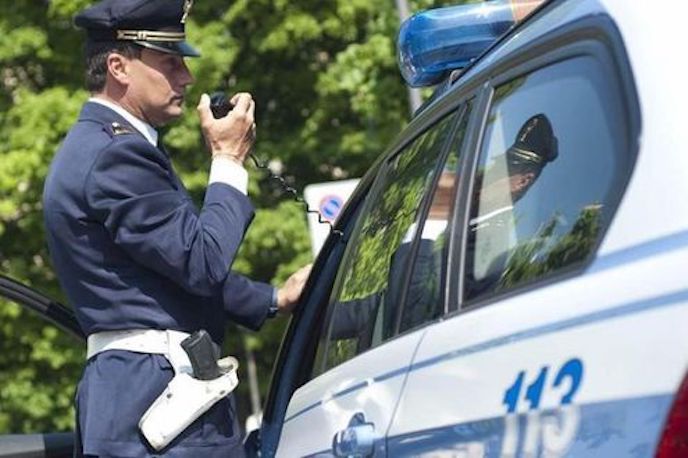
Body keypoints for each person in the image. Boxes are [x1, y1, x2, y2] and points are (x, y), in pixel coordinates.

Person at [42, 0, 310, 456]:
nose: (186, 78)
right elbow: (202, 263)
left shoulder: (105, 147)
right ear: (118, 66)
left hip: (143, 396)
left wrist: (271, 299)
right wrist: (228, 161)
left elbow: (165, 270)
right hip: (157, 397)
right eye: (170, 62)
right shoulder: (117, 156)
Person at [464, 113, 558, 299]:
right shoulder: (474, 220)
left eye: (503, 169)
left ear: (522, 181)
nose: (490, 173)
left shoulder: (492, 243)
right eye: (496, 166)